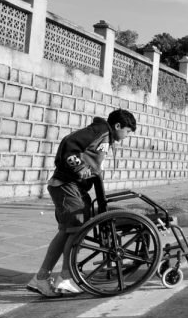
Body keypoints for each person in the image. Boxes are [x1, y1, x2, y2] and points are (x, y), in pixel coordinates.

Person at [26, 108, 138, 297]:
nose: (127, 136)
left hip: (70, 187)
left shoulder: (105, 137)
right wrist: (79, 167)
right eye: (127, 131)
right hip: (67, 185)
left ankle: (42, 278)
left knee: (65, 232)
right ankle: (66, 277)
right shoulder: (100, 131)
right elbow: (69, 143)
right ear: (118, 126)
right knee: (76, 230)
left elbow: (93, 167)